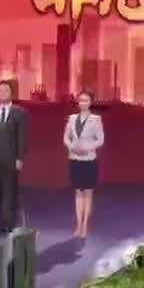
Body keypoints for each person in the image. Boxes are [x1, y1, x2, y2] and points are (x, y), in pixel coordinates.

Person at [0, 80, 28, 237]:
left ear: (12, 94)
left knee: (9, 193)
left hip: (11, 159)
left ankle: (9, 225)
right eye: (0, 91)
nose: (2, 93)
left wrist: (20, 158)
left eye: (6, 91)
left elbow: (22, 137)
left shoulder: (19, 113)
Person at [63, 91, 104, 239]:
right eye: (80, 100)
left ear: (90, 102)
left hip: (89, 160)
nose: (83, 103)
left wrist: (87, 148)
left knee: (87, 193)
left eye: (86, 100)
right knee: (78, 193)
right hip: (74, 159)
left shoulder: (96, 119)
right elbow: (66, 137)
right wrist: (72, 147)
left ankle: (85, 225)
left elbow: (100, 140)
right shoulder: (72, 118)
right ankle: (78, 225)